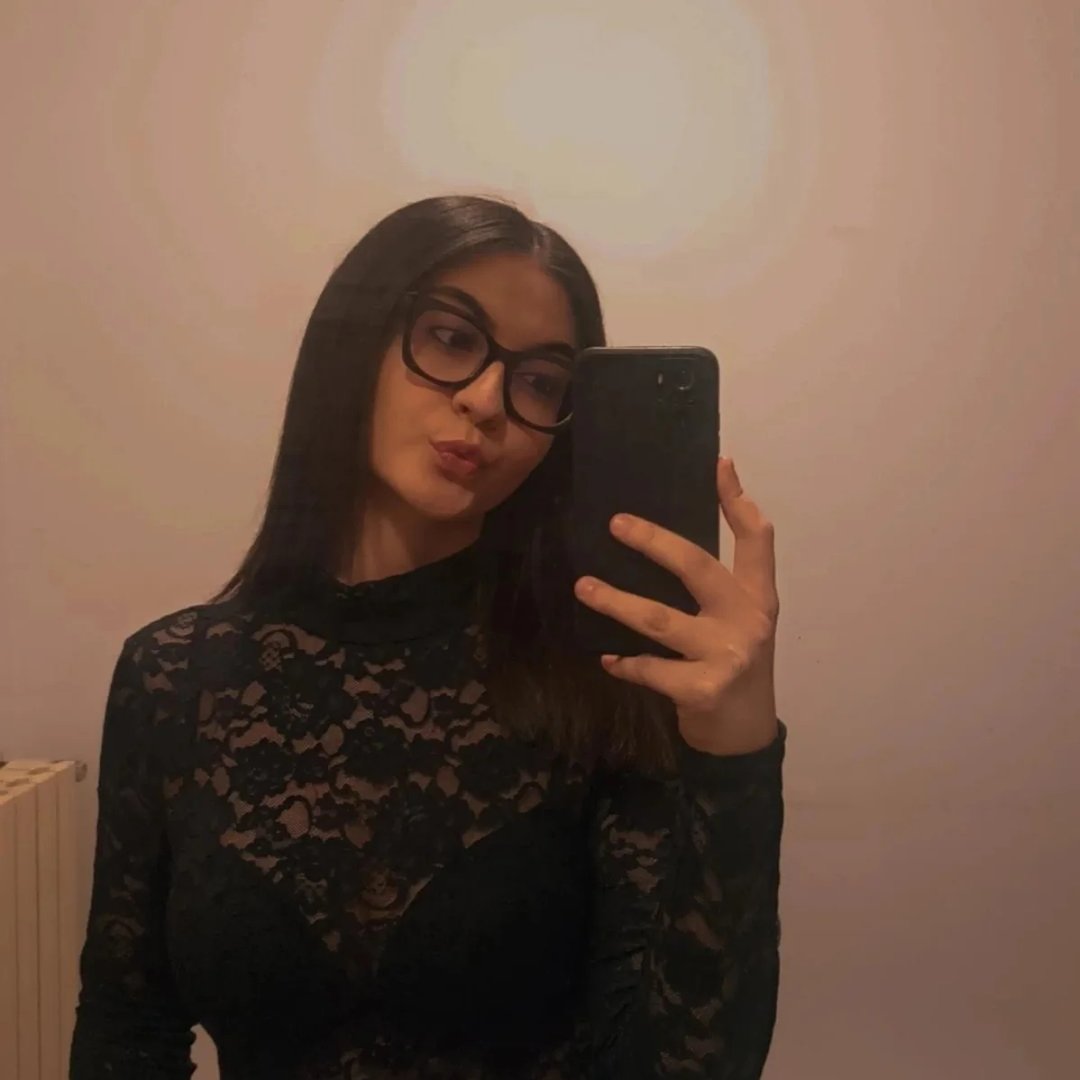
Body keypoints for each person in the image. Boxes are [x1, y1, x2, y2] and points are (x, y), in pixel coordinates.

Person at [69, 195, 787, 1079]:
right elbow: (126, 1028)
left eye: (541, 383)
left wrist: (736, 753)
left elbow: (687, 1063)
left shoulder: (601, 675)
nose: (487, 402)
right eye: (451, 338)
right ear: (355, 343)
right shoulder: (171, 675)